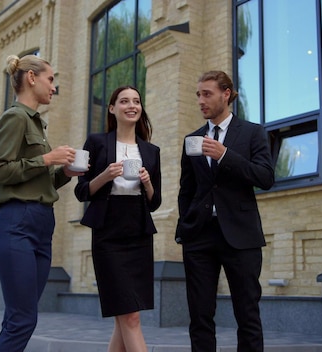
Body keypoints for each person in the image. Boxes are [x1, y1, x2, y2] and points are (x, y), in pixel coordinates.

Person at [0, 54, 84, 352]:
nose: (54, 87)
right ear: (32, 78)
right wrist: (47, 158)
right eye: (50, 79)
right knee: (23, 318)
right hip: (17, 223)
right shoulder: (14, 118)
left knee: (21, 316)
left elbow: (38, 180)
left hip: (41, 225)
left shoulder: (36, 123)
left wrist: (65, 172)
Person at [175, 70, 274, 352]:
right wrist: (186, 226)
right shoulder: (192, 140)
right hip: (200, 236)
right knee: (200, 316)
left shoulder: (253, 132)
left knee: (247, 313)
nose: (201, 101)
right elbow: (187, 189)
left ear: (226, 94)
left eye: (207, 94)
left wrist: (225, 155)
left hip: (241, 236)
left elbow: (265, 178)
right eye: (198, 95)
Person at [74, 86, 161, 352]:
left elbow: (155, 202)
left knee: (124, 318)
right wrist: (105, 176)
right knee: (130, 316)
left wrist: (146, 183)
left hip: (138, 230)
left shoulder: (151, 151)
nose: (131, 105)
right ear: (113, 109)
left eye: (136, 101)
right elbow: (81, 191)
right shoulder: (97, 142)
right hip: (108, 231)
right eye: (124, 101)